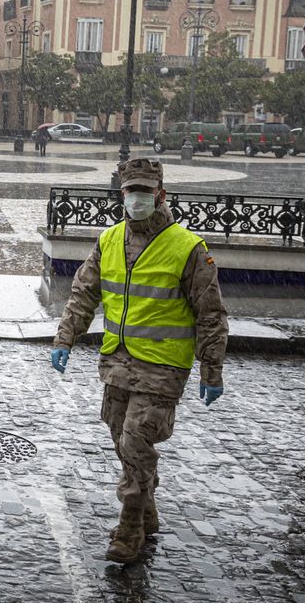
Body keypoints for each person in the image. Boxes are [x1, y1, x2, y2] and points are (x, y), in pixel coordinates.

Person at [49, 157, 228, 564]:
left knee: (135, 438)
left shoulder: (188, 248)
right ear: (122, 195)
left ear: (161, 195)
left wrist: (211, 367)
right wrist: (65, 337)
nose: (139, 199)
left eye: (147, 192)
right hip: (117, 361)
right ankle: (147, 507)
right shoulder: (109, 240)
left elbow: (211, 312)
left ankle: (130, 525)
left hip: (163, 367)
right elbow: (84, 294)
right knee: (120, 437)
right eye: (132, 192)